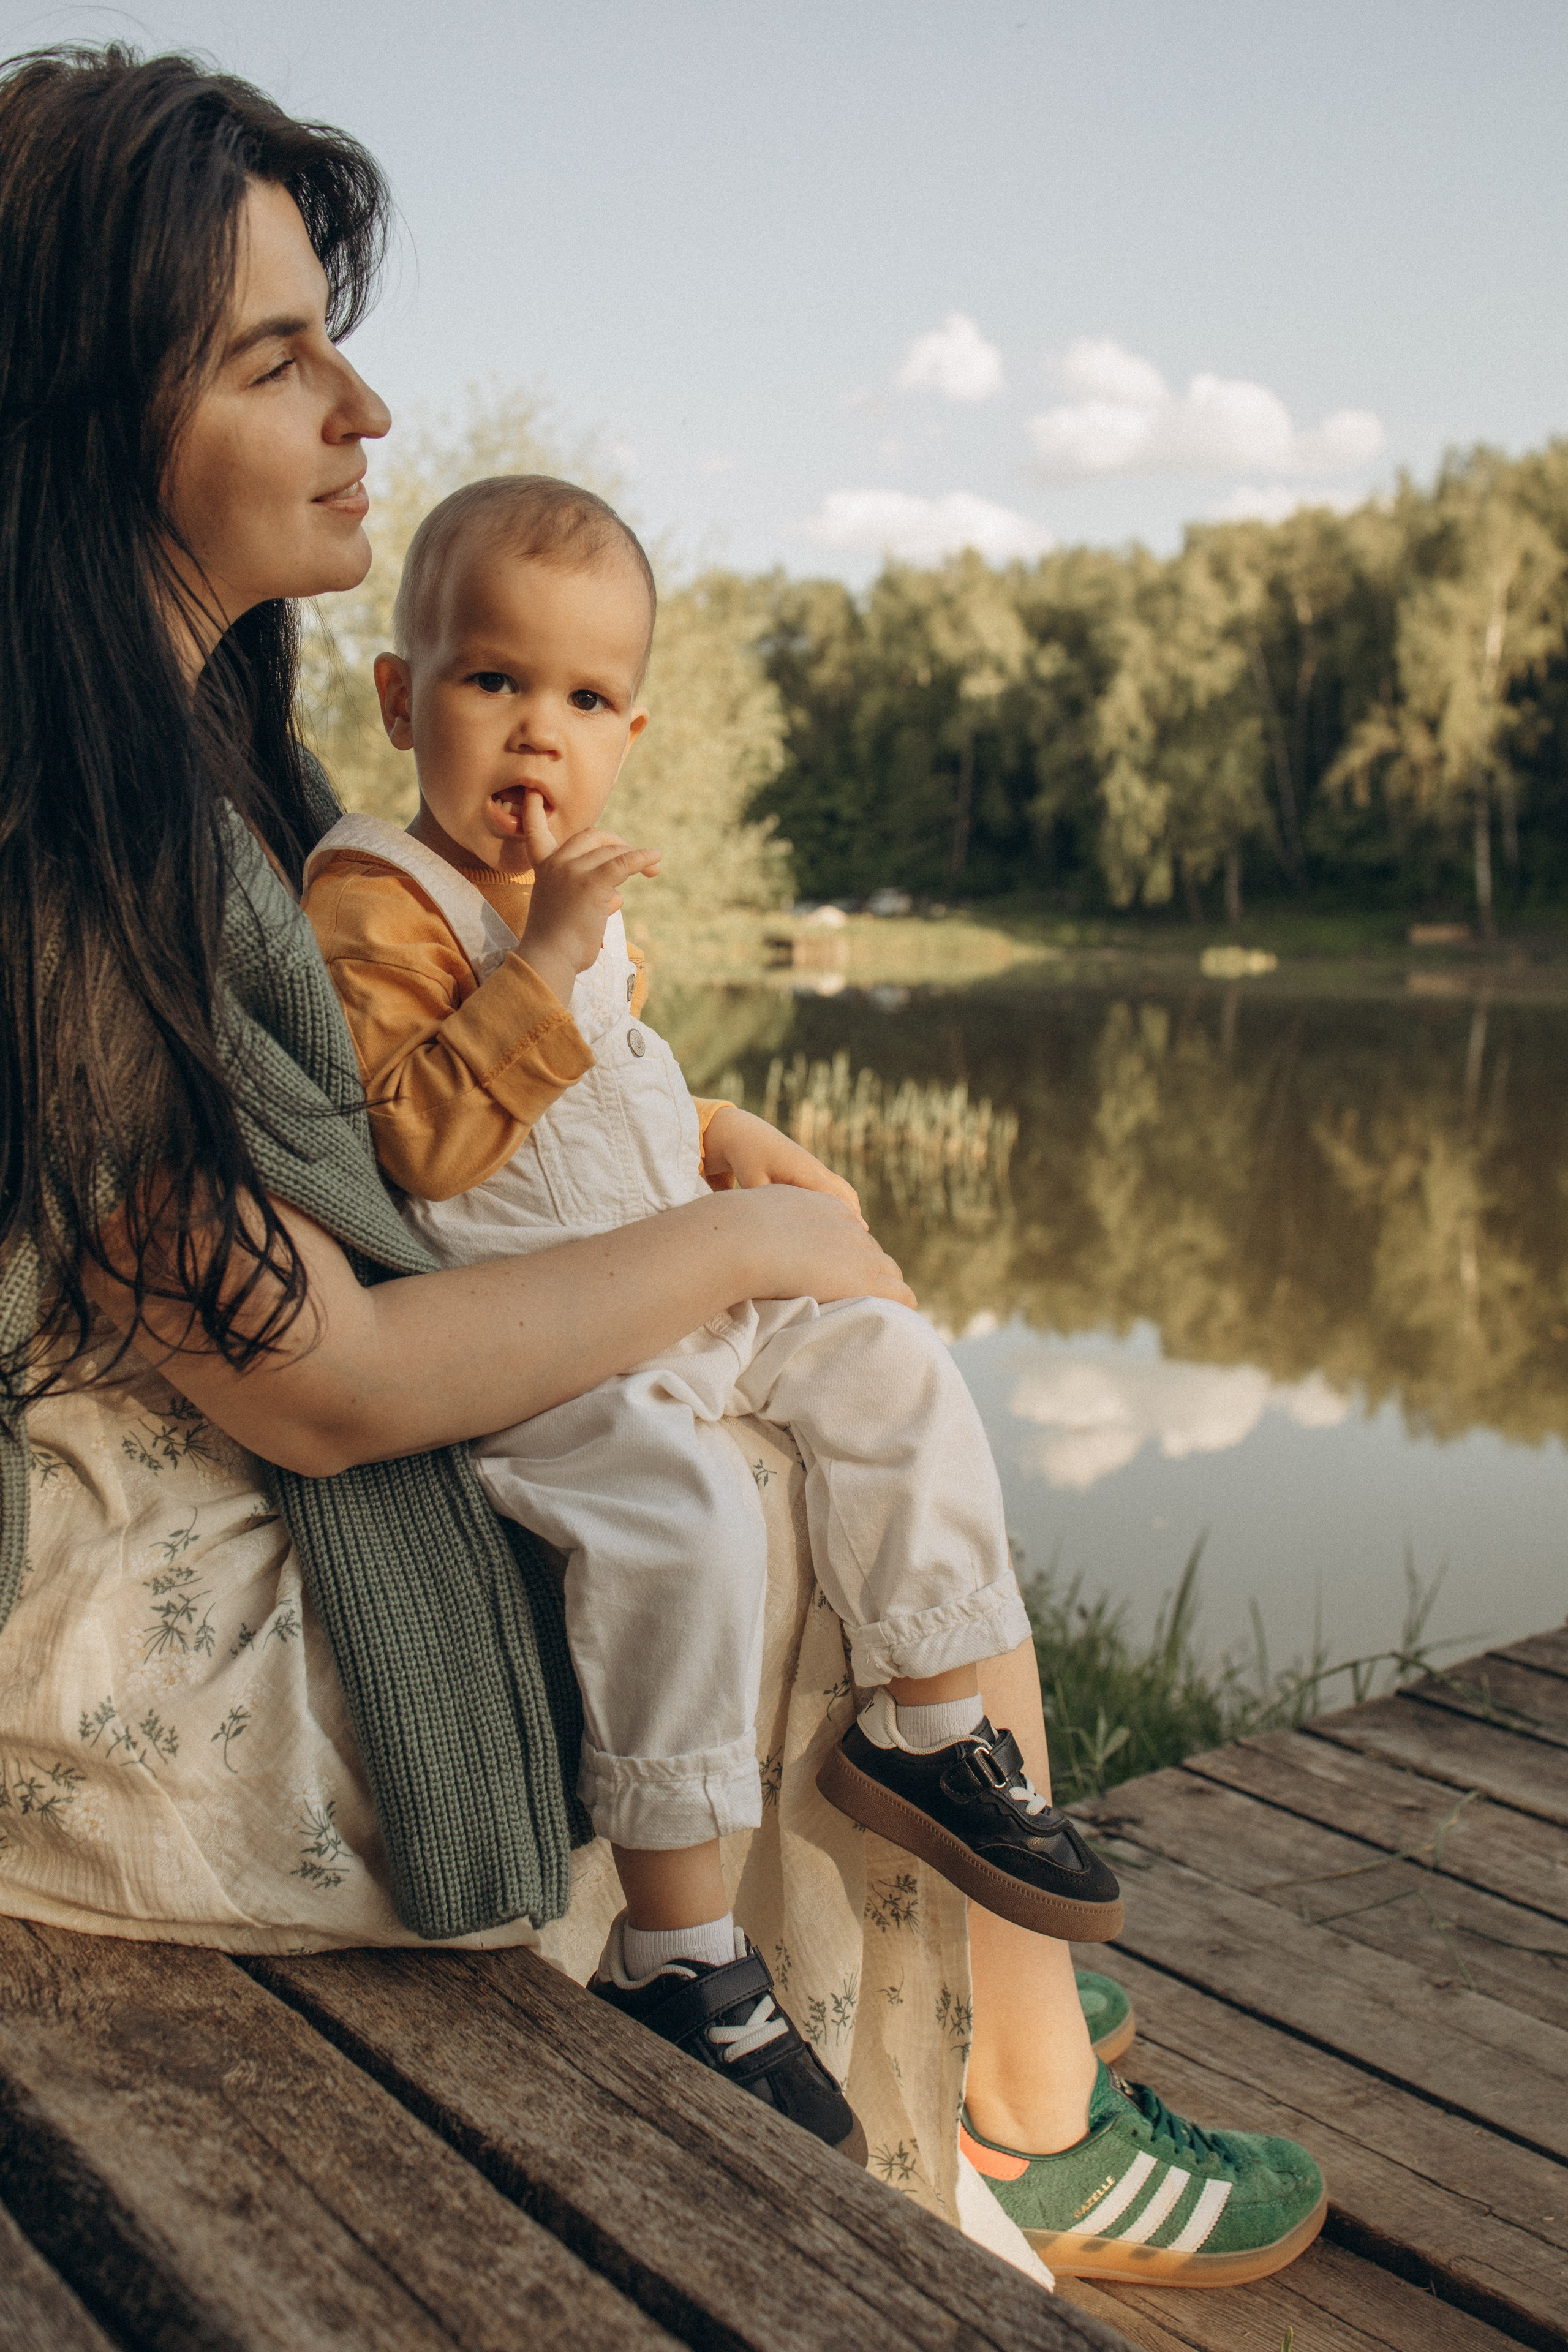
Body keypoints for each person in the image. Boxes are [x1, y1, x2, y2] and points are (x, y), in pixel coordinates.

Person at [0, 42, 1324, 2288]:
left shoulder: (192, 769)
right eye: (278, 355)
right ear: (91, 421)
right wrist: (737, 1242)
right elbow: (319, 1379)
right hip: (113, 1642)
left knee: (827, 1393)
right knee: (729, 1473)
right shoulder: (67, 850)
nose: (365, 411)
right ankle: (1002, 2108)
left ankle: (968, 2044)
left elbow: (397, 1136)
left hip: (194, 1450)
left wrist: (714, 1157)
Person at [301, 472, 1125, 2155]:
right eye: (493, 682)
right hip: (524, 1336)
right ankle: (678, 1946)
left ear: (632, 732)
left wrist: (719, 1136)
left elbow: (607, 1114)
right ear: (400, 698)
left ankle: (930, 1726)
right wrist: (539, 956)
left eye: (586, 701)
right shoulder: (371, 899)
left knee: (889, 1358)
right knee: (680, 1515)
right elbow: (422, 1139)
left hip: (666, 1284)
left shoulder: (588, 919)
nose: (540, 735)